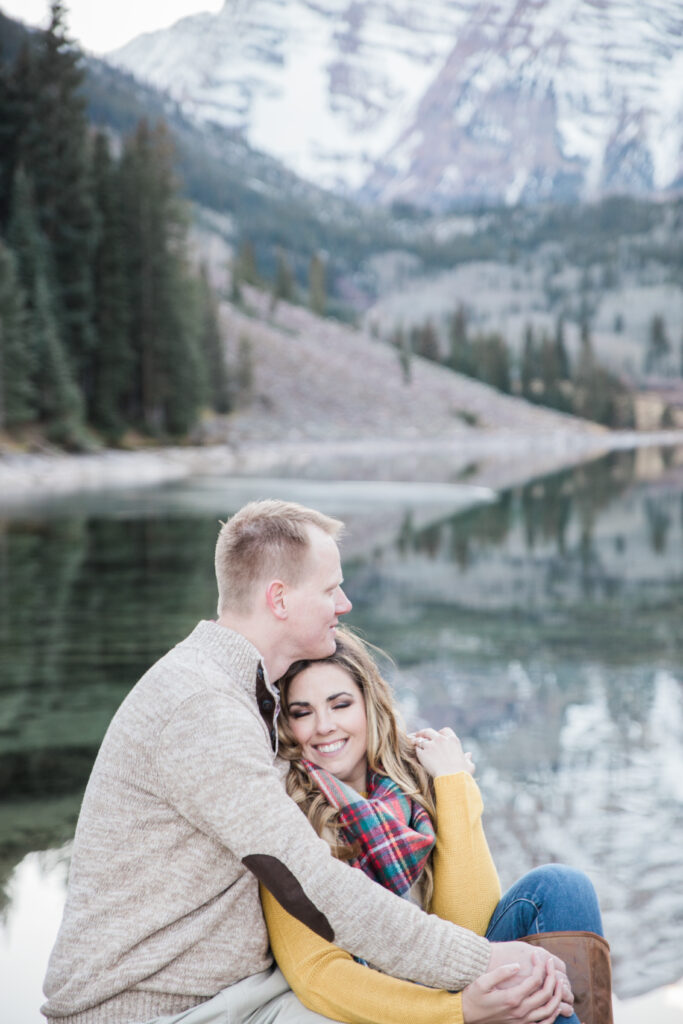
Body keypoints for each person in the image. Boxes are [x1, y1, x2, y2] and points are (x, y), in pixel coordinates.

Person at [43, 499, 571, 1024]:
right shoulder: (203, 709)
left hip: (244, 995)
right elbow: (310, 883)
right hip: (158, 1011)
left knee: (557, 900)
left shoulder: (244, 695)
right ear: (279, 598)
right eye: (329, 588)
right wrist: (481, 965)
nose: (343, 603)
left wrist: (447, 782)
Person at [263, 628, 610, 1024]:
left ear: (368, 705)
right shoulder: (286, 816)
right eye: (302, 712)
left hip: (450, 978)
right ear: (287, 726)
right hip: (396, 1011)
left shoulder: (411, 787)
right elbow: (318, 976)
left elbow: (468, 926)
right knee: (537, 997)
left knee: (563, 888)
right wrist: (458, 1010)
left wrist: (453, 783)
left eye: (340, 705)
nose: (323, 726)